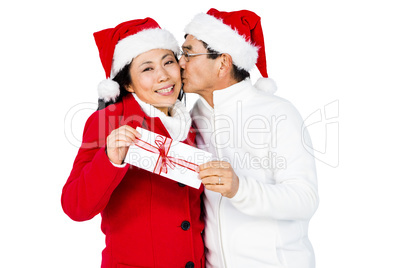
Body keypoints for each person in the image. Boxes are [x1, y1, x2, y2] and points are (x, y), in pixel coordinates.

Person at [179, 8, 319, 268]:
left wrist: (239, 188)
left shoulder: (277, 113)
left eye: (188, 53)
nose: (180, 63)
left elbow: (305, 199)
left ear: (223, 62)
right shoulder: (191, 118)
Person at [62, 18, 205, 268]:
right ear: (128, 83)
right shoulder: (108, 120)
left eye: (168, 62)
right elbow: (75, 206)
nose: (163, 76)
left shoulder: (191, 122)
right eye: (147, 69)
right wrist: (110, 159)